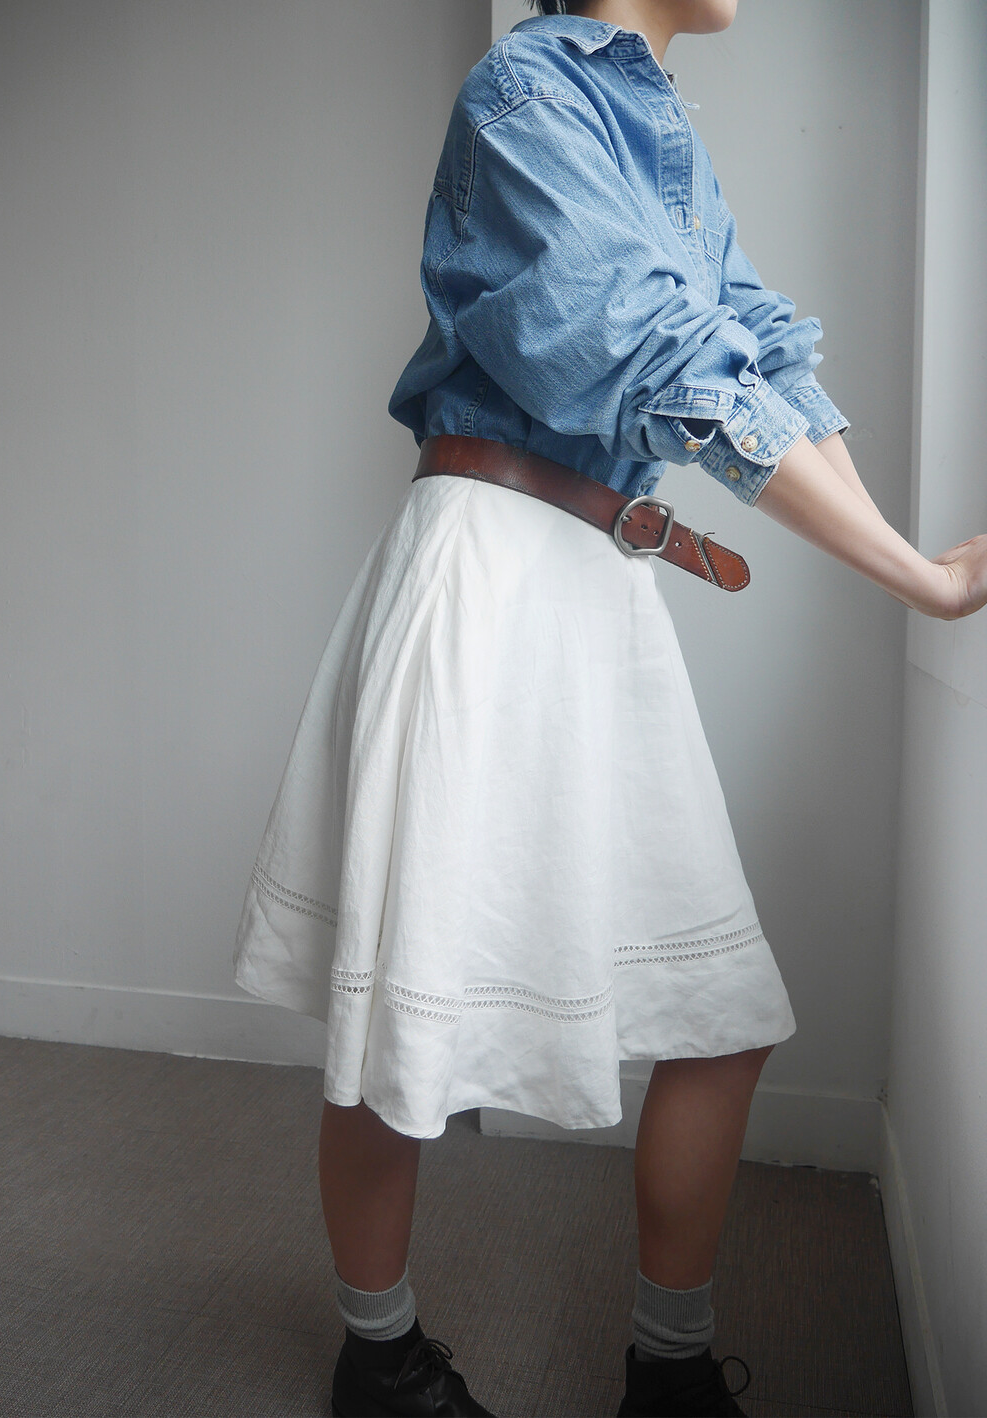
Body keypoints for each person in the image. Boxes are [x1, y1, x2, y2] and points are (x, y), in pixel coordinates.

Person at [232, 2, 987, 1415]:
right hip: (489, 568)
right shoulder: (528, 87)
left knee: (722, 1012)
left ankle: (670, 1374)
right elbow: (666, 361)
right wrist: (921, 582)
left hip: (597, 577)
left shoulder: (660, 127)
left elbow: (761, 355)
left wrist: (918, 563)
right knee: (398, 1018)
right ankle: (379, 1356)